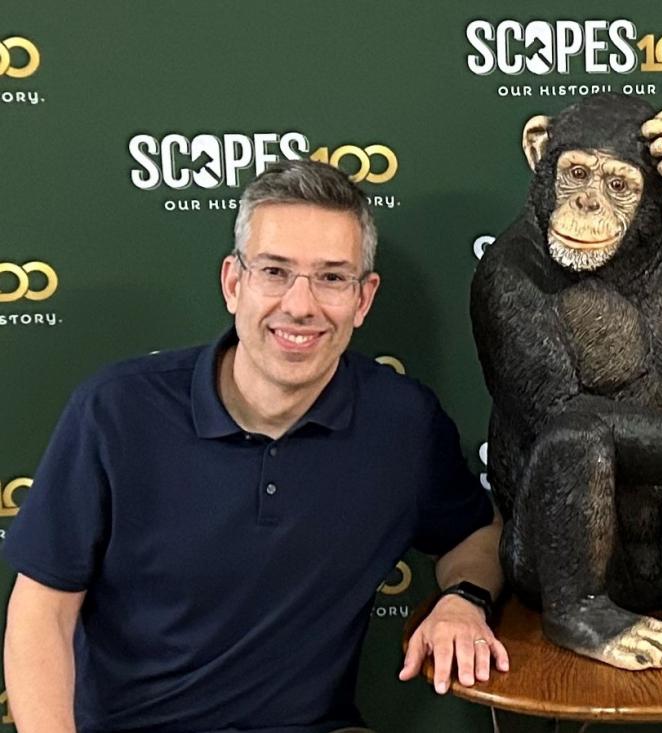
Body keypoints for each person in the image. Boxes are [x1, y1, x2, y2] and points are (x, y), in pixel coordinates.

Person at [3, 159, 508, 733]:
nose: (300, 305)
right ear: (233, 283)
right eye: (274, 271)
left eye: (332, 277)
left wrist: (464, 598)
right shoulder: (116, 411)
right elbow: (40, 613)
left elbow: (476, 532)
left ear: (364, 300)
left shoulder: (402, 423)